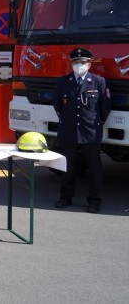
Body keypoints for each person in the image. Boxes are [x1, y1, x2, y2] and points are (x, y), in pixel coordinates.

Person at [53, 48, 111, 213]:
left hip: (90, 131)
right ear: (71, 64)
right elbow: (57, 103)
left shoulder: (99, 82)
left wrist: (98, 123)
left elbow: (105, 106)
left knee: (94, 168)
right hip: (68, 130)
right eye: (76, 62)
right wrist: (65, 119)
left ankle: (94, 200)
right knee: (67, 166)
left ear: (89, 64)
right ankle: (65, 197)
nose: (79, 65)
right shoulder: (63, 82)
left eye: (83, 62)